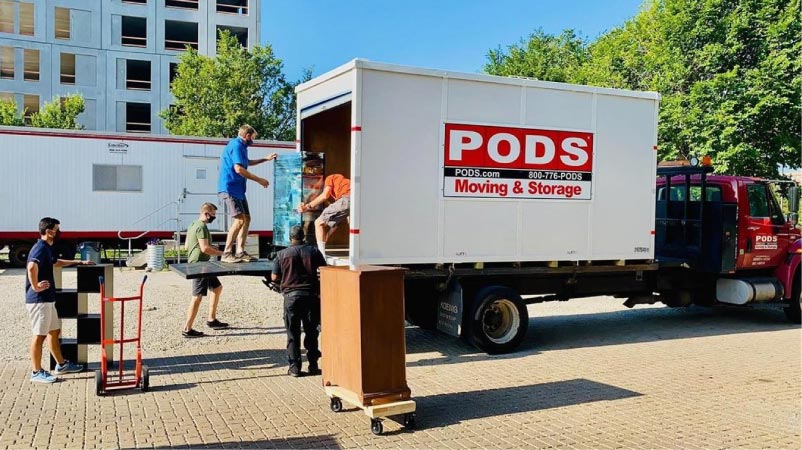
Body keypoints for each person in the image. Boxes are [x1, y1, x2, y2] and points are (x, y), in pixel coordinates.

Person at [25, 217, 94, 383]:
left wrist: (80, 261)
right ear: (48, 231)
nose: (59, 232)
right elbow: (31, 266)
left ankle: (61, 365)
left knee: (54, 332)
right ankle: (36, 372)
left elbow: (56, 262)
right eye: (57, 229)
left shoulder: (47, 248)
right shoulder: (40, 248)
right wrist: (35, 286)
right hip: (39, 300)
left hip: (47, 300)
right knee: (39, 335)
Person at [271, 226, 327, 377]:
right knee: (311, 332)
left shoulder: (281, 254)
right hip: (311, 297)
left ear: (290, 238)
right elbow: (324, 270)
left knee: (292, 334)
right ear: (303, 237)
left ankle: (295, 368)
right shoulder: (313, 251)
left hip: (291, 298)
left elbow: (274, 278)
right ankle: (314, 366)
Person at [218, 124, 277, 263]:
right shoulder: (236, 145)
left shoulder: (242, 147)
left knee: (247, 218)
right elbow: (239, 169)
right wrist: (259, 180)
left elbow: (246, 163)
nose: (253, 140)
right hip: (230, 188)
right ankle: (226, 253)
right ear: (247, 135)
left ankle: (240, 252)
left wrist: (265, 159)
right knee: (239, 220)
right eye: (253, 137)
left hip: (238, 190)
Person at [182, 203, 228, 337]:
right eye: (213, 214)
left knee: (217, 288)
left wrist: (208, 246)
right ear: (206, 213)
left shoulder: (192, 225)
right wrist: (223, 254)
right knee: (197, 297)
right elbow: (205, 249)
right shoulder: (202, 227)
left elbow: (186, 246)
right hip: (199, 265)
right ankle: (187, 329)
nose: (214, 217)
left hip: (203, 264)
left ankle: (211, 319)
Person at [297, 173, 350, 257]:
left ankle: (321, 256)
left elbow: (325, 195)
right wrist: (325, 238)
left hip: (347, 199)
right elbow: (335, 225)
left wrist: (308, 206)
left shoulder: (330, 178)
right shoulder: (342, 184)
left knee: (318, 222)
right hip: (355, 199)